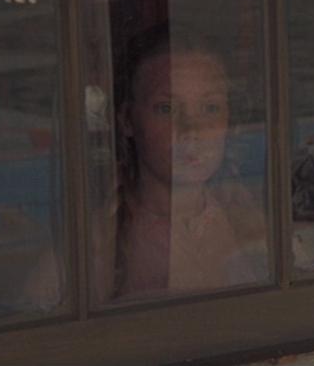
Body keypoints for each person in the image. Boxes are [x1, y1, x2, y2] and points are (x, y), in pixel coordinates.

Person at [91, 27, 266, 303]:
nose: (192, 131)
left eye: (210, 108)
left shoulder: (247, 218)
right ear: (127, 119)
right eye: (167, 109)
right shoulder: (98, 246)